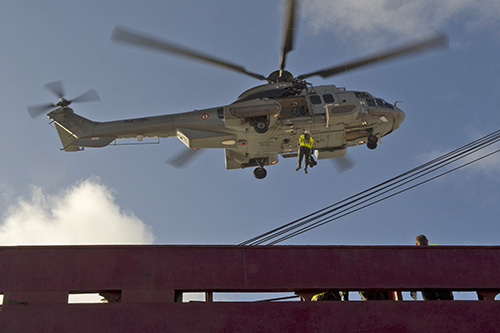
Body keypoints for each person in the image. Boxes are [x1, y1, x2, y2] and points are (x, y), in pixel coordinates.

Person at [411, 234, 454, 301]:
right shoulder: (438, 250)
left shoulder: (415, 256)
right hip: (443, 285)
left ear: (416, 244)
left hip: (428, 287)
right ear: (427, 241)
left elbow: (414, 273)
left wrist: (413, 290)